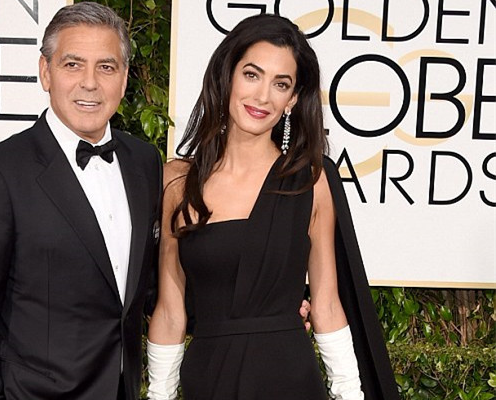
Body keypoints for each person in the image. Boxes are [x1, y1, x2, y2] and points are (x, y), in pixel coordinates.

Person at [146, 14, 399, 400]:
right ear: (228, 75)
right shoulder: (177, 182)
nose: (263, 96)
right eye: (252, 75)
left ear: (292, 99)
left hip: (290, 378)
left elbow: (327, 304)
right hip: (209, 379)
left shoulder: (311, 180)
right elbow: (169, 311)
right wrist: (158, 395)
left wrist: (350, 393)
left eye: (281, 84)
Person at [0, 3, 163, 399]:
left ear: (124, 78)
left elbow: (146, 291)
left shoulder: (144, 161)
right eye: (72, 65)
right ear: (45, 72)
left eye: (106, 67)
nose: (90, 83)